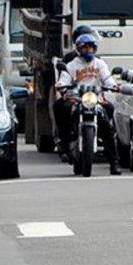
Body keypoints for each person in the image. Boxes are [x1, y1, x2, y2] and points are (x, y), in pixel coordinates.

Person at [54, 33, 122, 175]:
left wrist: (114, 86)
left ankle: (114, 163)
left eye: (91, 47)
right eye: (85, 47)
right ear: (79, 49)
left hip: (95, 99)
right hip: (77, 98)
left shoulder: (99, 64)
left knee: (108, 125)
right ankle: (64, 141)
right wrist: (61, 85)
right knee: (60, 107)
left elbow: (107, 79)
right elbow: (64, 80)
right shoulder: (71, 65)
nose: (88, 50)